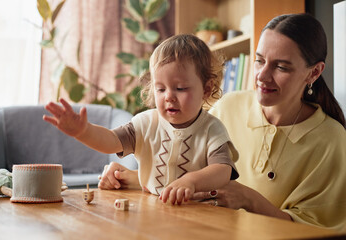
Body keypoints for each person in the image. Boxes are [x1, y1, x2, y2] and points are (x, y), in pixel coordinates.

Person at [98, 13, 346, 231]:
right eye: (259, 60)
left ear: (314, 72)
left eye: (281, 66)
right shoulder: (229, 105)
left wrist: (249, 199)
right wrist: (130, 177)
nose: (262, 75)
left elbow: (316, 230)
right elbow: (188, 175)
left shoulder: (332, 141)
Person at [43, 34, 239, 205]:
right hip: (154, 206)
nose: (168, 96)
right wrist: (83, 132)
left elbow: (222, 170)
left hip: (202, 212)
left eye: (180, 88)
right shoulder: (146, 123)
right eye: (160, 89)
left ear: (206, 89)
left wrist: (191, 181)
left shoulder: (212, 129)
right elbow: (111, 141)